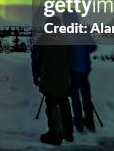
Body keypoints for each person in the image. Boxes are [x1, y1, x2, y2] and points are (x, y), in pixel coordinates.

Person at [31, 16, 74, 145]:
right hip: (64, 80)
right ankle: (68, 132)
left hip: (48, 79)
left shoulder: (43, 39)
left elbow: (36, 60)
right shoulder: (66, 39)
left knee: (51, 105)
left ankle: (54, 134)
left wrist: (35, 76)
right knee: (64, 103)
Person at [63, 11, 97, 133]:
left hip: (73, 70)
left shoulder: (66, 32)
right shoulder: (82, 30)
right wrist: (84, 51)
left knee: (75, 96)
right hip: (85, 70)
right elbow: (93, 46)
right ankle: (90, 123)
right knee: (86, 96)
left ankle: (78, 123)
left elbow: (63, 51)